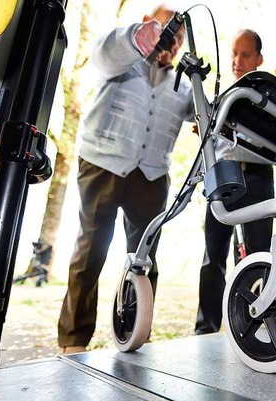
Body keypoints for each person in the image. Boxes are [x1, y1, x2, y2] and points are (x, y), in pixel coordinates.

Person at [57, 5, 194, 354]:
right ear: (149, 25)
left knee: (145, 259)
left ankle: (134, 333)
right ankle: (74, 341)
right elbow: (104, 52)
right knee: (90, 251)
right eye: (167, 31)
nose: (172, 41)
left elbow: (203, 113)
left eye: (178, 37)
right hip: (102, 163)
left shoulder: (182, 83)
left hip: (151, 175)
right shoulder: (123, 57)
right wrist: (139, 38)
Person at [195, 29, 274, 335]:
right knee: (213, 255)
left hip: (258, 177)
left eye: (245, 54)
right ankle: (206, 328)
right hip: (223, 175)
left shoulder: (268, 100)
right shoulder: (217, 101)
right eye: (234, 53)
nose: (237, 60)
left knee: (258, 254)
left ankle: (255, 324)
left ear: (259, 59)